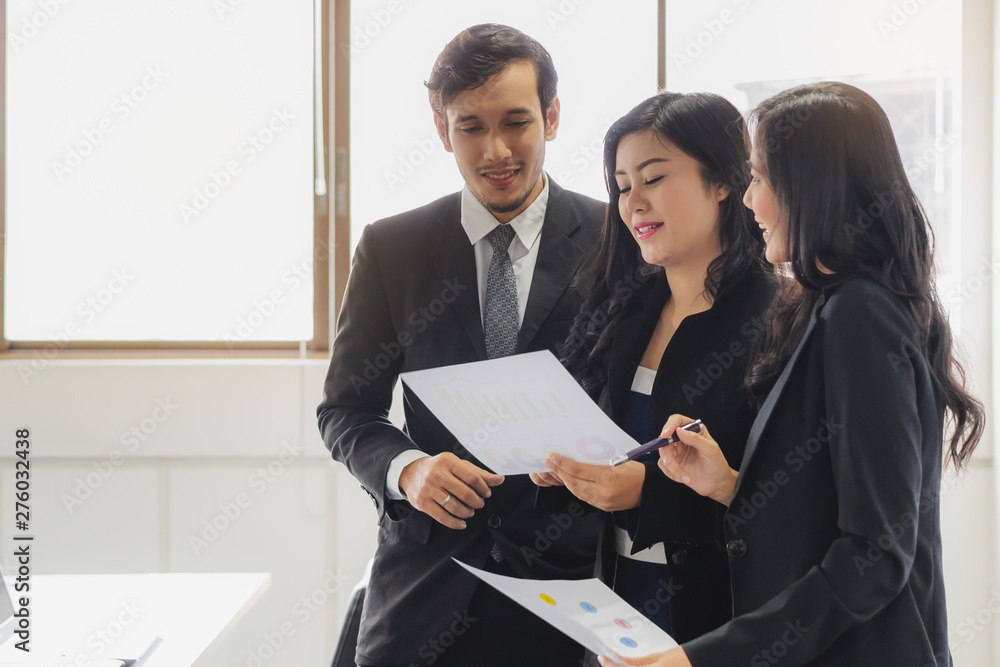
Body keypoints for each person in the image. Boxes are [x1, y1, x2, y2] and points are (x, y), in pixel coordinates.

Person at [604, 82, 985, 667]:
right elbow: (831, 512)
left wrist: (701, 658)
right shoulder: (831, 306)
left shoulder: (860, 314)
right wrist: (728, 484)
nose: (750, 202)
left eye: (759, 179)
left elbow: (875, 554)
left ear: (813, 186)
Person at [316, 24, 605, 667]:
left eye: (516, 122)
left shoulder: (618, 243)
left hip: (572, 594)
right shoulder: (392, 248)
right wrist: (408, 470)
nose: (495, 149)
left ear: (552, 117)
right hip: (424, 592)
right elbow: (344, 411)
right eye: (470, 126)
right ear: (443, 130)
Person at [530, 91, 774, 652]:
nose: (632, 202)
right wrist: (564, 469)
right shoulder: (625, 311)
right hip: (620, 600)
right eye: (621, 186)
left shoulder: (777, 318)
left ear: (722, 182)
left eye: (654, 178)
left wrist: (649, 494)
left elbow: (787, 499)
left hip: (725, 616)